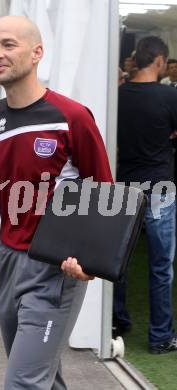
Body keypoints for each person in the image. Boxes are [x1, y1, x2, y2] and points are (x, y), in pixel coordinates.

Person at [0, 15, 112, 389]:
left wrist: (91, 261)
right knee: (41, 375)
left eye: (8, 45)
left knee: (24, 381)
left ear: (37, 53)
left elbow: (103, 195)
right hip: (9, 261)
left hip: (55, 269)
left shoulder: (71, 117)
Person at [115, 36, 177, 354]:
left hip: (124, 185)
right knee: (160, 265)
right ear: (158, 61)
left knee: (119, 262)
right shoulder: (169, 96)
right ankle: (161, 336)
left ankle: (116, 322)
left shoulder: (118, 96)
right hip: (160, 189)